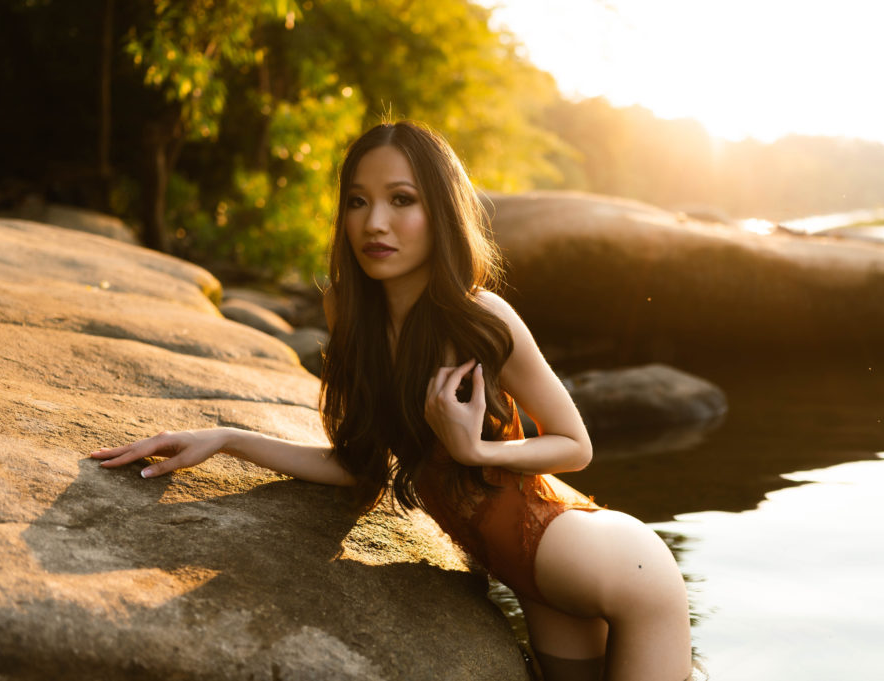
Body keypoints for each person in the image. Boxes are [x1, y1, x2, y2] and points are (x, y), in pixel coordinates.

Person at [92, 121, 692, 681]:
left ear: (441, 212)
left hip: (620, 571)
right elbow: (358, 466)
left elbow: (577, 446)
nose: (374, 222)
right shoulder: (351, 318)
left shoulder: (480, 317)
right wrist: (225, 439)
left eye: (401, 200)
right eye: (358, 201)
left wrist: (472, 446)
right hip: (536, 586)